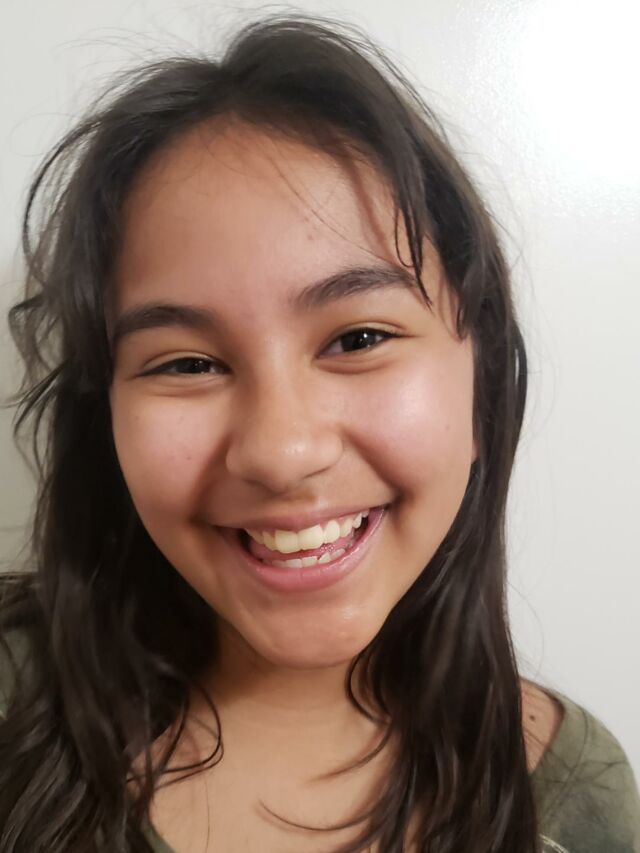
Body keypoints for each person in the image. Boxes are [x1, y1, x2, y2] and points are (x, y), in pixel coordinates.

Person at [0, 12, 638, 853]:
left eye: (359, 338)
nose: (282, 452)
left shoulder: (570, 797)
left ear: (481, 386)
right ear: (106, 415)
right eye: (188, 363)